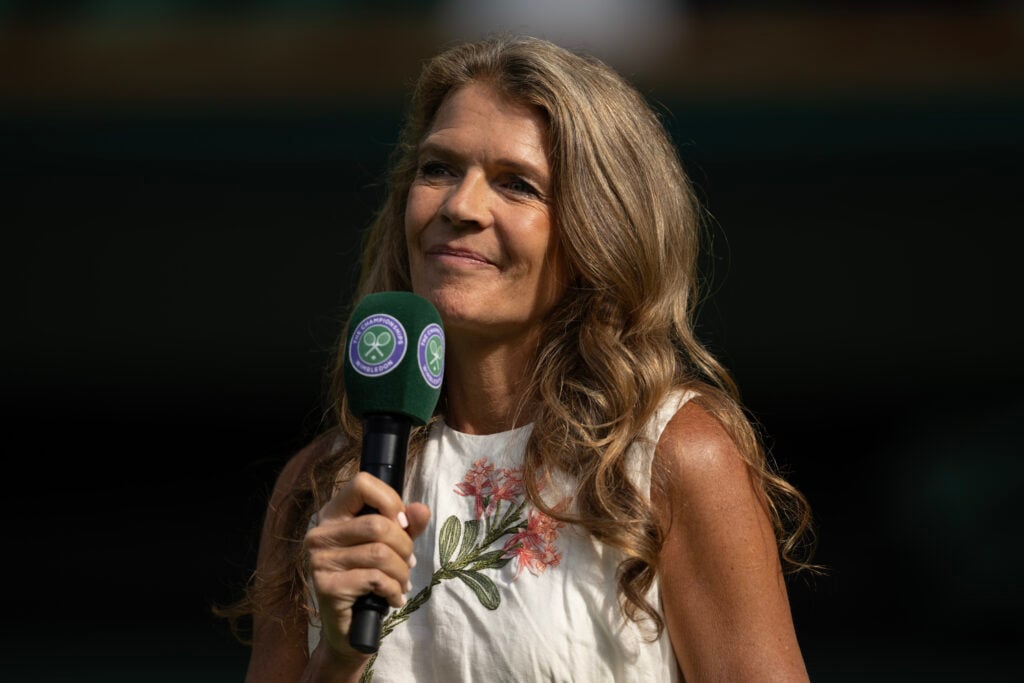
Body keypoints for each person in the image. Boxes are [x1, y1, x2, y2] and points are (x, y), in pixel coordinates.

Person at [219, 34, 817, 682]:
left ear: (598, 229)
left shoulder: (672, 461)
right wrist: (336, 656)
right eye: (438, 169)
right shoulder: (324, 484)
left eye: (516, 184)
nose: (459, 206)